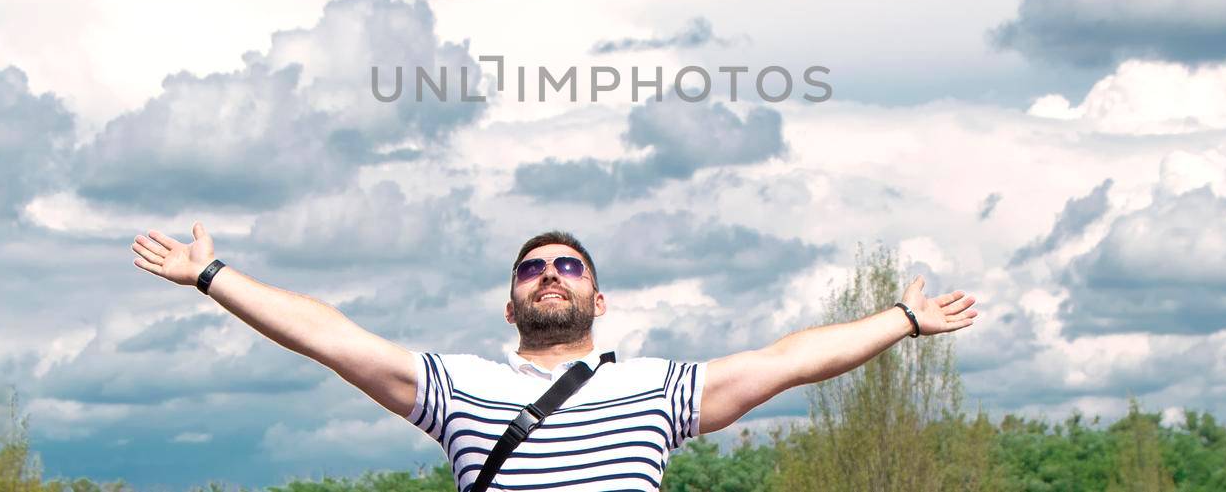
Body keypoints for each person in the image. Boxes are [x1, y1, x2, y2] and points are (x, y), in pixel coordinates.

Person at [130, 224, 977, 491]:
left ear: (597, 300)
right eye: (532, 268)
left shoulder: (657, 387)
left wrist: (901, 316)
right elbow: (331, 335)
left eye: (569, 266)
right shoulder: (461, 385)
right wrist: (212, 274)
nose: (550, 276)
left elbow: (791, 358)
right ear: (510, 303)